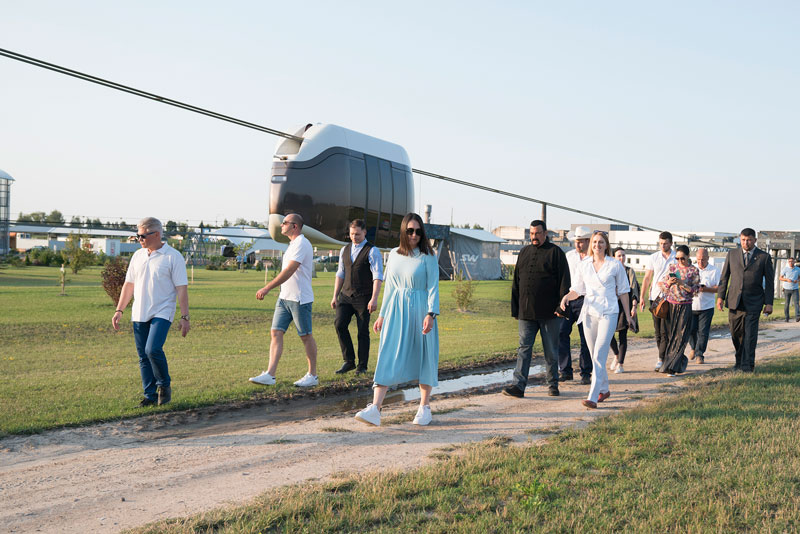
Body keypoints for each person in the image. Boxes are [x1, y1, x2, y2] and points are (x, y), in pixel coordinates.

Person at [355, 213, 439, 427]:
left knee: (424, 356)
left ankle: (424, 407)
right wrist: (382, 314)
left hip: (421, 308)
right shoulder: (393, 254)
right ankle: (375, 408)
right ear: (403, 231)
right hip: (396, 309)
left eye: (418, 231)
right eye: (410, 230)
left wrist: (431, 314)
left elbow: (433, 288)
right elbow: (390, 286)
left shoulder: (428, 256)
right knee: (387, 352)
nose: (414, 235)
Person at [112, 217, 189, 407]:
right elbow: (128, 285)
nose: (139, 239)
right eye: (137, 235)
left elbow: (182, 288)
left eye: (142, 235)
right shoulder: (137, 256)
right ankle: (150, 396)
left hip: (163, 311)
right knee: (143, 356)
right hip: (139, 312)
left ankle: (164, 385)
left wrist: (185, 317)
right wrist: (119, 309)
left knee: (152, 349)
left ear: (156, 234)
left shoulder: (173, 256)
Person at [560, 231, 632, 409]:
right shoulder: (584, 265)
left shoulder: (614, 265)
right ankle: (605, 389)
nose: (597, 245)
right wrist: (566, 298)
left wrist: (629, 315)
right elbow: (578, 289)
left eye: (600, 242)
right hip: (589, 312)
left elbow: (623, 291)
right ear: (590, 244)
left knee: (599, 353)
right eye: (594, 242)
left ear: (606, 245)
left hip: (609, 312)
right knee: (594, 355)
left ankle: (593, 396)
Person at [502, 219, 570, 399]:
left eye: (538, 233)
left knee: (551, 351)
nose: (534, 237)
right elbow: (517, 282)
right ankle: (518, 386)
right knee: (524, 349)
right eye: (531, 234)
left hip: (550, 313)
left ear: (545, 233)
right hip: (526, 312)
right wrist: (515, 308)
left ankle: (553, 385)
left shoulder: (556, 253)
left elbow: (565, 282)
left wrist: (561, 307)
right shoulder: (524, 252)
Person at [249, 213, 319, 387]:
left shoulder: (302, 244)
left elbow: (289, 270)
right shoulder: (292, 245)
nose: (281, 225)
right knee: (276, 332)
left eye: (284, 223)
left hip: (299, 299)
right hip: (284, 298)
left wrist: (267, 287)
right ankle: (270, 375)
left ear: (294, 226)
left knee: (305, 336)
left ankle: (312, 375)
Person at [716, 228, 774, 372]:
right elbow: (724, 278)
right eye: (743, 240)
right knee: (736, 334)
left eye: (748, 240)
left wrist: (769, 303)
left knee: (749, 335)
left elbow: (770, 282)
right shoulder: (732, 254)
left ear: (754, 240)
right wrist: (720, 297)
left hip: (754, 302)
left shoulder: (764, 257)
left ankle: (747, 365)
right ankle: (739, 359)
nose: (745, 243)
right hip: (735, 301)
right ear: (740, 240)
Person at [331, 219, 384, 375]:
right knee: (339, 324)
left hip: (364, 297)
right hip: (346, 296)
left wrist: (374, 299)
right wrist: (335, 295)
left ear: (364, 232)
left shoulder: (372, 251)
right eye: (352, 234)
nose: (354, 237)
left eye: (358, 234)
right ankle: (349, 361)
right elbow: (340, 273)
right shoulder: (344, 250)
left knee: (362, 331)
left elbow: (377, 276)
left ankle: (362, 365)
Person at [657, 245, 700, 376]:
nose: (679, 261)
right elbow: (662, 286)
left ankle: (673, 367)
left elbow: (696, 290)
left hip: (685, 305)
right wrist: (669, 283)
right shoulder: (672, 268)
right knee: (670, 336)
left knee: (681, 338)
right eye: (677, 258)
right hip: (671, 305)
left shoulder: (693, 270)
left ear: (688, 257)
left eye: (682, 258)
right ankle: (670, 364)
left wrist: (682, 283)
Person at [558, 225, 592, 384]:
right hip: (569, 298)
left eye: (580, 242)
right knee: (561, 333)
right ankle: (565, 370)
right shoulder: (569, 256)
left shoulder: (593, 258)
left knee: (586, 337)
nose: (577, 245)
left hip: (586, 300)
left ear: (588, 241)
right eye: (576, 242)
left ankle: (586, 372)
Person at [639, 231, 676, 372]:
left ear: (671, 243)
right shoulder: (653, 257)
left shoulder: (675, 257)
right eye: (660, 243)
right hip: (655, 297)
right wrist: (642, 297)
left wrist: (668, 282)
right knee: (657, 330)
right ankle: (663, 355)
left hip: (671, 298)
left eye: (665, 243)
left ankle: (661, 358)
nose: (663, 246)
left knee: (665, 330)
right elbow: (647, 278)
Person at [609, 247, 640, 373]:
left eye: (623, 255)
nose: (621, 258)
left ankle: (620, 364)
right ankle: (616, 355)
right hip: (611, 305)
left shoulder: (629, 271)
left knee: (623, 335)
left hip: (624, 306)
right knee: (609, 334)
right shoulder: (610, 270)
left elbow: (634, 290)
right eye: (619, 256)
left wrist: (633, 307)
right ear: (614, 257)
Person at [688, 248, 720, 364]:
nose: (700, 262)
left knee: (703, 332)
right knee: (691, 330)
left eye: (703, 259)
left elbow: (718, 288)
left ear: (708, 258)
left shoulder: (714, 270)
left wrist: (705, 289)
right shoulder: (691, 269)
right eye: (698, 259)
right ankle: (693, 347)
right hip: (691, 305)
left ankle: (699, 354)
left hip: (707, 306)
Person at [778, 257, 800, 322]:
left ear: (794, 262)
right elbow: (780, 278)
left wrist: (797, 280)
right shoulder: (785, 269)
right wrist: (787, 279)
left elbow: (799, 278)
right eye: (789, 261)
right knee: (787, 304)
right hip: (787, 289)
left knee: (796, 303)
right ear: (788, 262)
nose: (791, 262)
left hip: (795, 288)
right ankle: (786, 318)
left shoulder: (798, 269)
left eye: (792, 261)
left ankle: (797, 317)